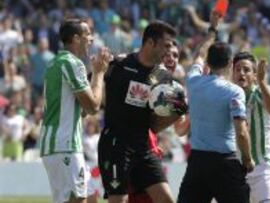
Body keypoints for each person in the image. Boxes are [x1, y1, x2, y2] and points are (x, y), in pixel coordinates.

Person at [98, 21, 186, 203]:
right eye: (166, 45)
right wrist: (98, 73)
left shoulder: (164, 77)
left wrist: (176, 112)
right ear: (150, 43)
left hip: (143, 148)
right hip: (115, 145)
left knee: (166, 199)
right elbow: (95, 93)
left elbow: (155, 124)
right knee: (118, 200)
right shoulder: (119, 65)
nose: (168, 51)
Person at [177, 11, 254, 203]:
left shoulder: (193, 81)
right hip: (224, 163)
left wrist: (212, 29)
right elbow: (242, 132)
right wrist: (247, 159)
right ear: (230, 63)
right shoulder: (235, 92)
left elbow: (200, 53)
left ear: (208, 63)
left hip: (197, 162)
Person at [39, 19, 112, 203]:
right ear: (76, 38)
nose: (92, 39)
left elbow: (79, 111)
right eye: (88, 34)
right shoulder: (73, 64)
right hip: (65, 145)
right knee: (78, 200)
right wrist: (99, 73)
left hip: (57, 144)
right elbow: (94, 107)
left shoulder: (54, 63)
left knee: (91, 196)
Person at [232, 51, 270, 203]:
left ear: (254, 75)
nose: (241, 73)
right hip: (235, 170)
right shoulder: (227, 96)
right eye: (237, 69)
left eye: (246, 70)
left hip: (262, 168)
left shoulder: (261, 92)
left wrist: (262, 81)